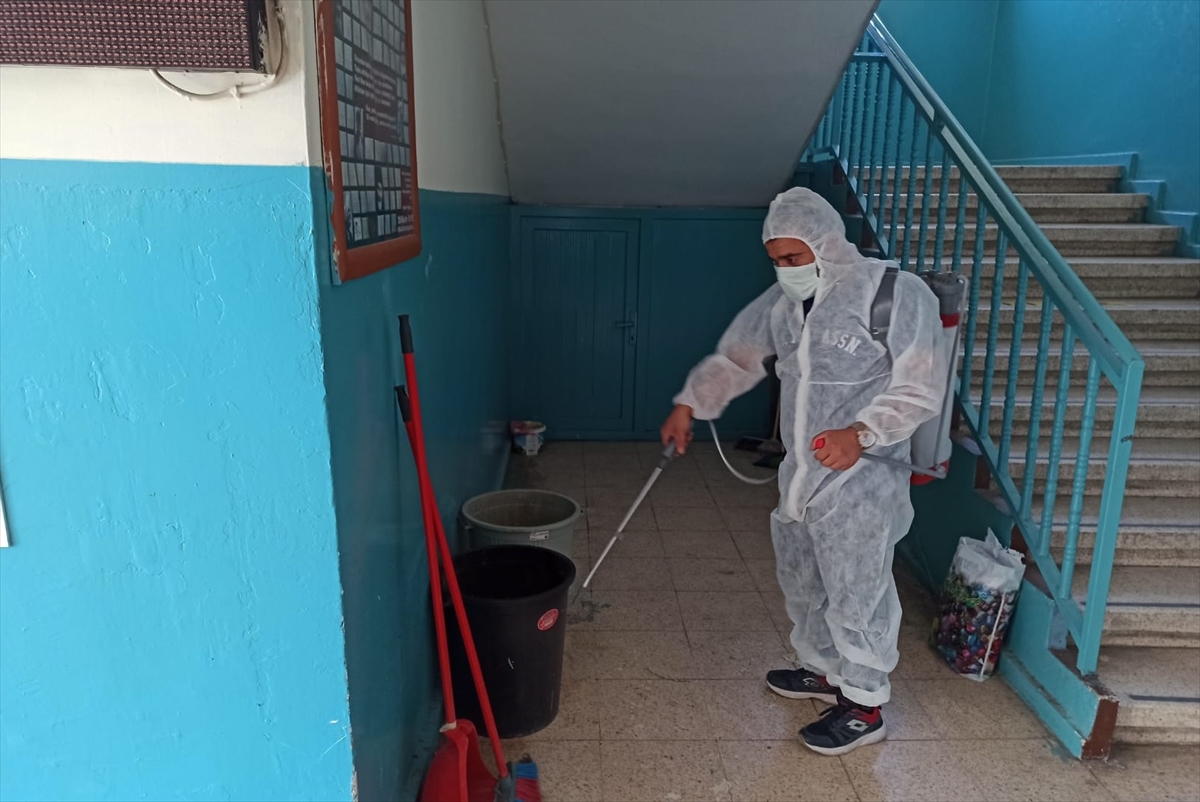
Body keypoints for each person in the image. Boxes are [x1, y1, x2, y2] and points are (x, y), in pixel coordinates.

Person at [660, 187, 946, 756]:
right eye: (776, 260)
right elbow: (739, 356)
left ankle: (864, 704)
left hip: (860, 477)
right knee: (805, 579)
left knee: (857, 587)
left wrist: (860, 432)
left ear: (827, 242)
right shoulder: (786, 301)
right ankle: (822, 669)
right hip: (801, 473)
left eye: (793, 257)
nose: (786, 269)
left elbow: (920, 385)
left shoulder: (894, 294)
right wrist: (691, 402)